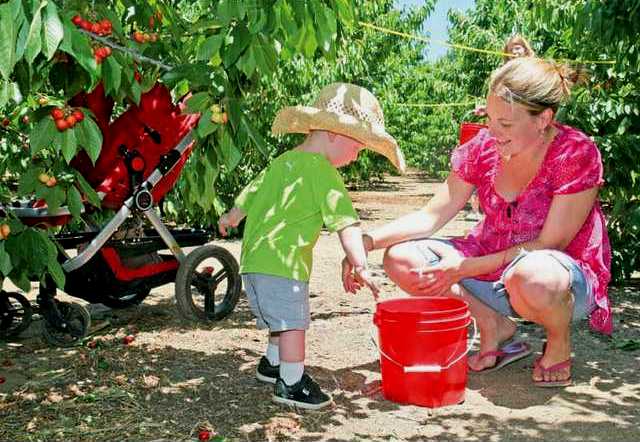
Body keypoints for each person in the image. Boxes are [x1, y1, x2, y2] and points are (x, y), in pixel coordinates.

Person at [343, 57, 611, 388]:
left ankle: (558, 341)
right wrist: (365, 242)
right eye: (489, 118)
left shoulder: (574, 153)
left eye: (506, 124)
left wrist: (465, 267)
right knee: (401, 259)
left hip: (557, 280)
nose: (493, 131)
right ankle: (493, 324)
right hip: (490, 263)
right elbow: (431, 215)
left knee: (533, 275)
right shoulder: (483, 148)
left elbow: (549, 244)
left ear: (543, 119)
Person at [218, 83, 405, 409]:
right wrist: (360, 264)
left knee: (279, 320)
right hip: (283, 266)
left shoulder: (282, 162)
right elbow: (347, 223)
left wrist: (232, 216)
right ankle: (290, 383)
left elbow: (250, 194)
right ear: (335, 134)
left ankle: (271, 364)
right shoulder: (322, 171)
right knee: (293, 323)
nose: (356, 156)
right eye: (358, 147)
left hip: (254, 262)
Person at [468, 35, 537, 221]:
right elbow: (499, 101)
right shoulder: (503, 75)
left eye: (518, 48)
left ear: (526, 49)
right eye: (511, 49)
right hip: (509, 127)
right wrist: (487, 109)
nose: (515, 52)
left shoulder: (533, 70)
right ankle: (505, 212)